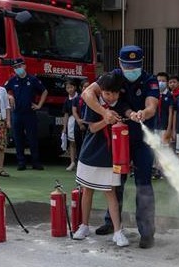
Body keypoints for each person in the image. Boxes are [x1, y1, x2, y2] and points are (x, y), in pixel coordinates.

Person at [82, 45, 159, 249]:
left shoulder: (150, 81)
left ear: (141, 65)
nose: (130, 70)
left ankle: (146, 231)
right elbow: (87, 94)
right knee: (115, 181)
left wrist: (144, 112)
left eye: (135, 67)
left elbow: (152, 105)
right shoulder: (114, 76)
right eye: (127, 66)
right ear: (120, 63)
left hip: (142, 140)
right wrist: (104, 112)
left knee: (143, 184)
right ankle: (112, 224)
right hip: (118, 140)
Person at [72, 72, 130, 247]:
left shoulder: (121, 105)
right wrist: (107, 118)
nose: (109, 97)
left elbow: (126, 117)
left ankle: (118, 231)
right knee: (87, 191)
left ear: (119, 92)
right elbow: (93, 128)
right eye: (106, 93)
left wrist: (128, 116)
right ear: (101, 91)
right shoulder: (94, 104)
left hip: (110, 157)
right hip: (90, 153)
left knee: (110, 192)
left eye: (113, 93)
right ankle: (84, 226)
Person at [4, 58, 48, 171]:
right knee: (18, 139)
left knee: (32, 138)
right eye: (14, 68)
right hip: (17, 113)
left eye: (18, 66)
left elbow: (44, 91)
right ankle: (21, 162)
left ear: (24, 66)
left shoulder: (32, 79)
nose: (17, 69)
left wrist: (39, 105)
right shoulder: (13, 80)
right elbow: (3, 91)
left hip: (30, 113)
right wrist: (9, 96)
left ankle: (35, 162)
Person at [152, 71, 174, 179]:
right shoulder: (153, 95)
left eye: (163, 81)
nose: (161, 83)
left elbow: (170, 113)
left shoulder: (169, 96)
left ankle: (165, 171)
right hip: (154, 125)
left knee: (165, 149)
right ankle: (156, 169)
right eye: (159, 81)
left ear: (167, 82)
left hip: (164, 126)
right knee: (156, 148)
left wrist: (169, 128)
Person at [62, 79, 79, 171]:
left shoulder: (80, 97)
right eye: (68, 88)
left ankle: (80, 162)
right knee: (72, 143)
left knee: (80, 142)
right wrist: (64, 128)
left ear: (75, 87)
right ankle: (72, 162)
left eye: (71, 87)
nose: (70, 89)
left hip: (79, 120)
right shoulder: (66, 100)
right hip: (71, 122)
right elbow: (66, 114)